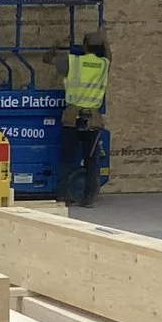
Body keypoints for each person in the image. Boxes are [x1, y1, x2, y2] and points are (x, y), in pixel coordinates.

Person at [59, 30, 109, 207]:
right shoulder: (104, 65)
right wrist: (104, 38)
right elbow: (109, 55)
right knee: (91, 161)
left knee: (66, 158)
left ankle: (63, 196)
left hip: (72, 117)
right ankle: (88, 199)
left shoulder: (73, 62)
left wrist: (58, 42)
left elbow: (47, 58)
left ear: (85, 46)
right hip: (92, 120)